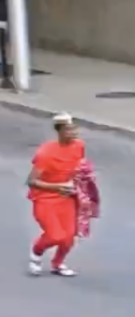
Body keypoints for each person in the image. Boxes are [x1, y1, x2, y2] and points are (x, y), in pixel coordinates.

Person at [27, 113, 100, 277]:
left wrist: (84, 180)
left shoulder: (79, 145)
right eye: (69, 130)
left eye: (75, 129)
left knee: (68, 237)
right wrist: (57, 186)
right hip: (44, 199)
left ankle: (57, 264)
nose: (74, 133)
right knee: (55, 236)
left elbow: (79, 166)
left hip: (67, 197)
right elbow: (32, 181)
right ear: (59, 131)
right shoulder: (45, 154)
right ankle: (36, 253)